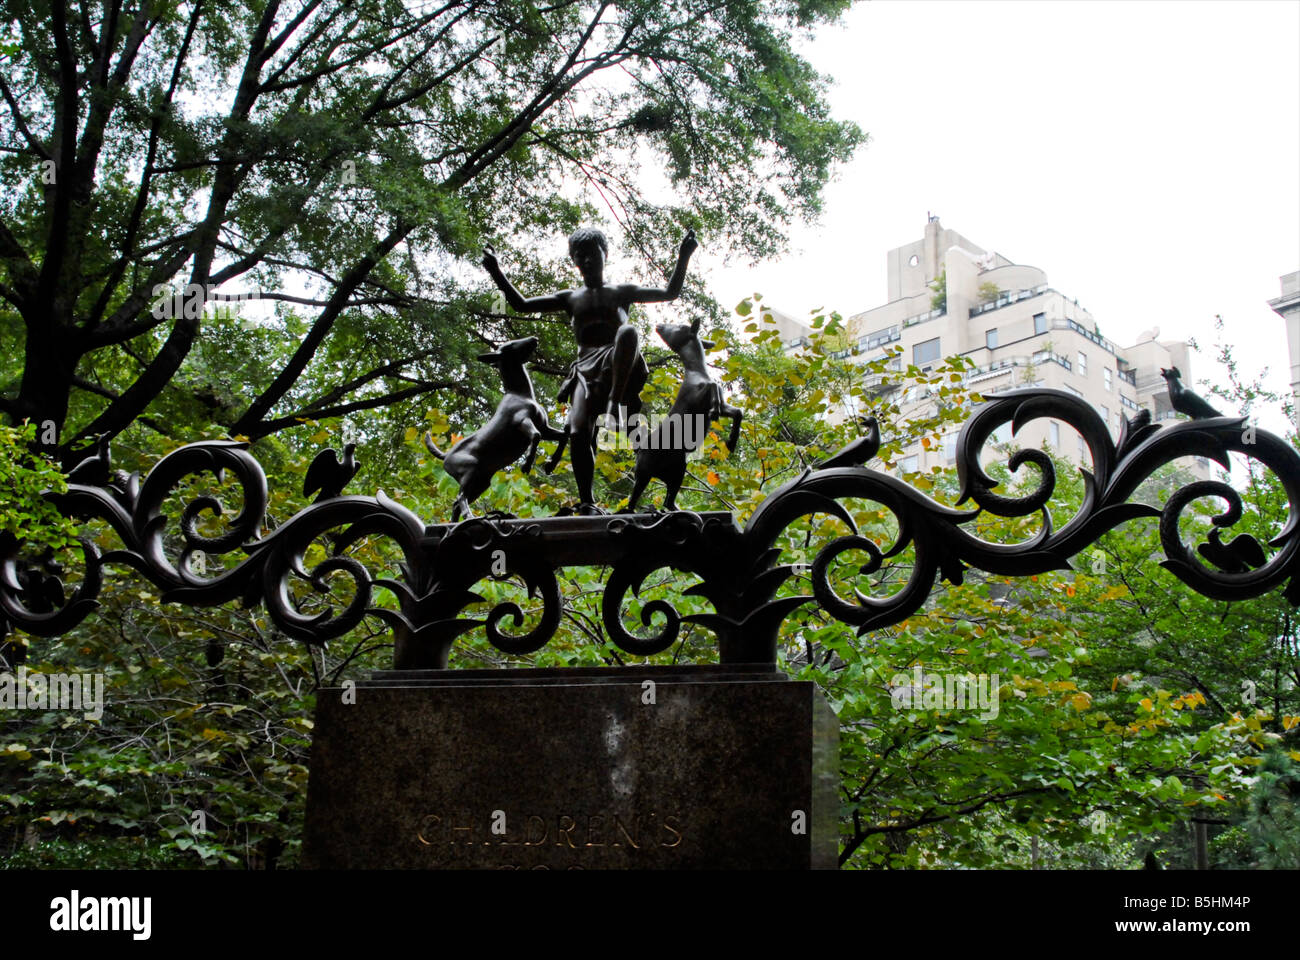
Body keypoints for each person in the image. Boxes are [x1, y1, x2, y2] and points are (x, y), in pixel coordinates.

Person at [481, 227, 698, 512]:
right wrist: (495, 271)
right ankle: (587, 502)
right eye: (578, 256)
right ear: (574, 260)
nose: (585, 260)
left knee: (629, 331)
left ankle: (615, 401)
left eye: (591, 253)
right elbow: (520, 305)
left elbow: (670, 292)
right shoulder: (569, 297)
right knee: (578, 432)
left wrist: (684, 255)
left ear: (604, 254)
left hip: (619, 360)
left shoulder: (622, 292)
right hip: (585, 370)